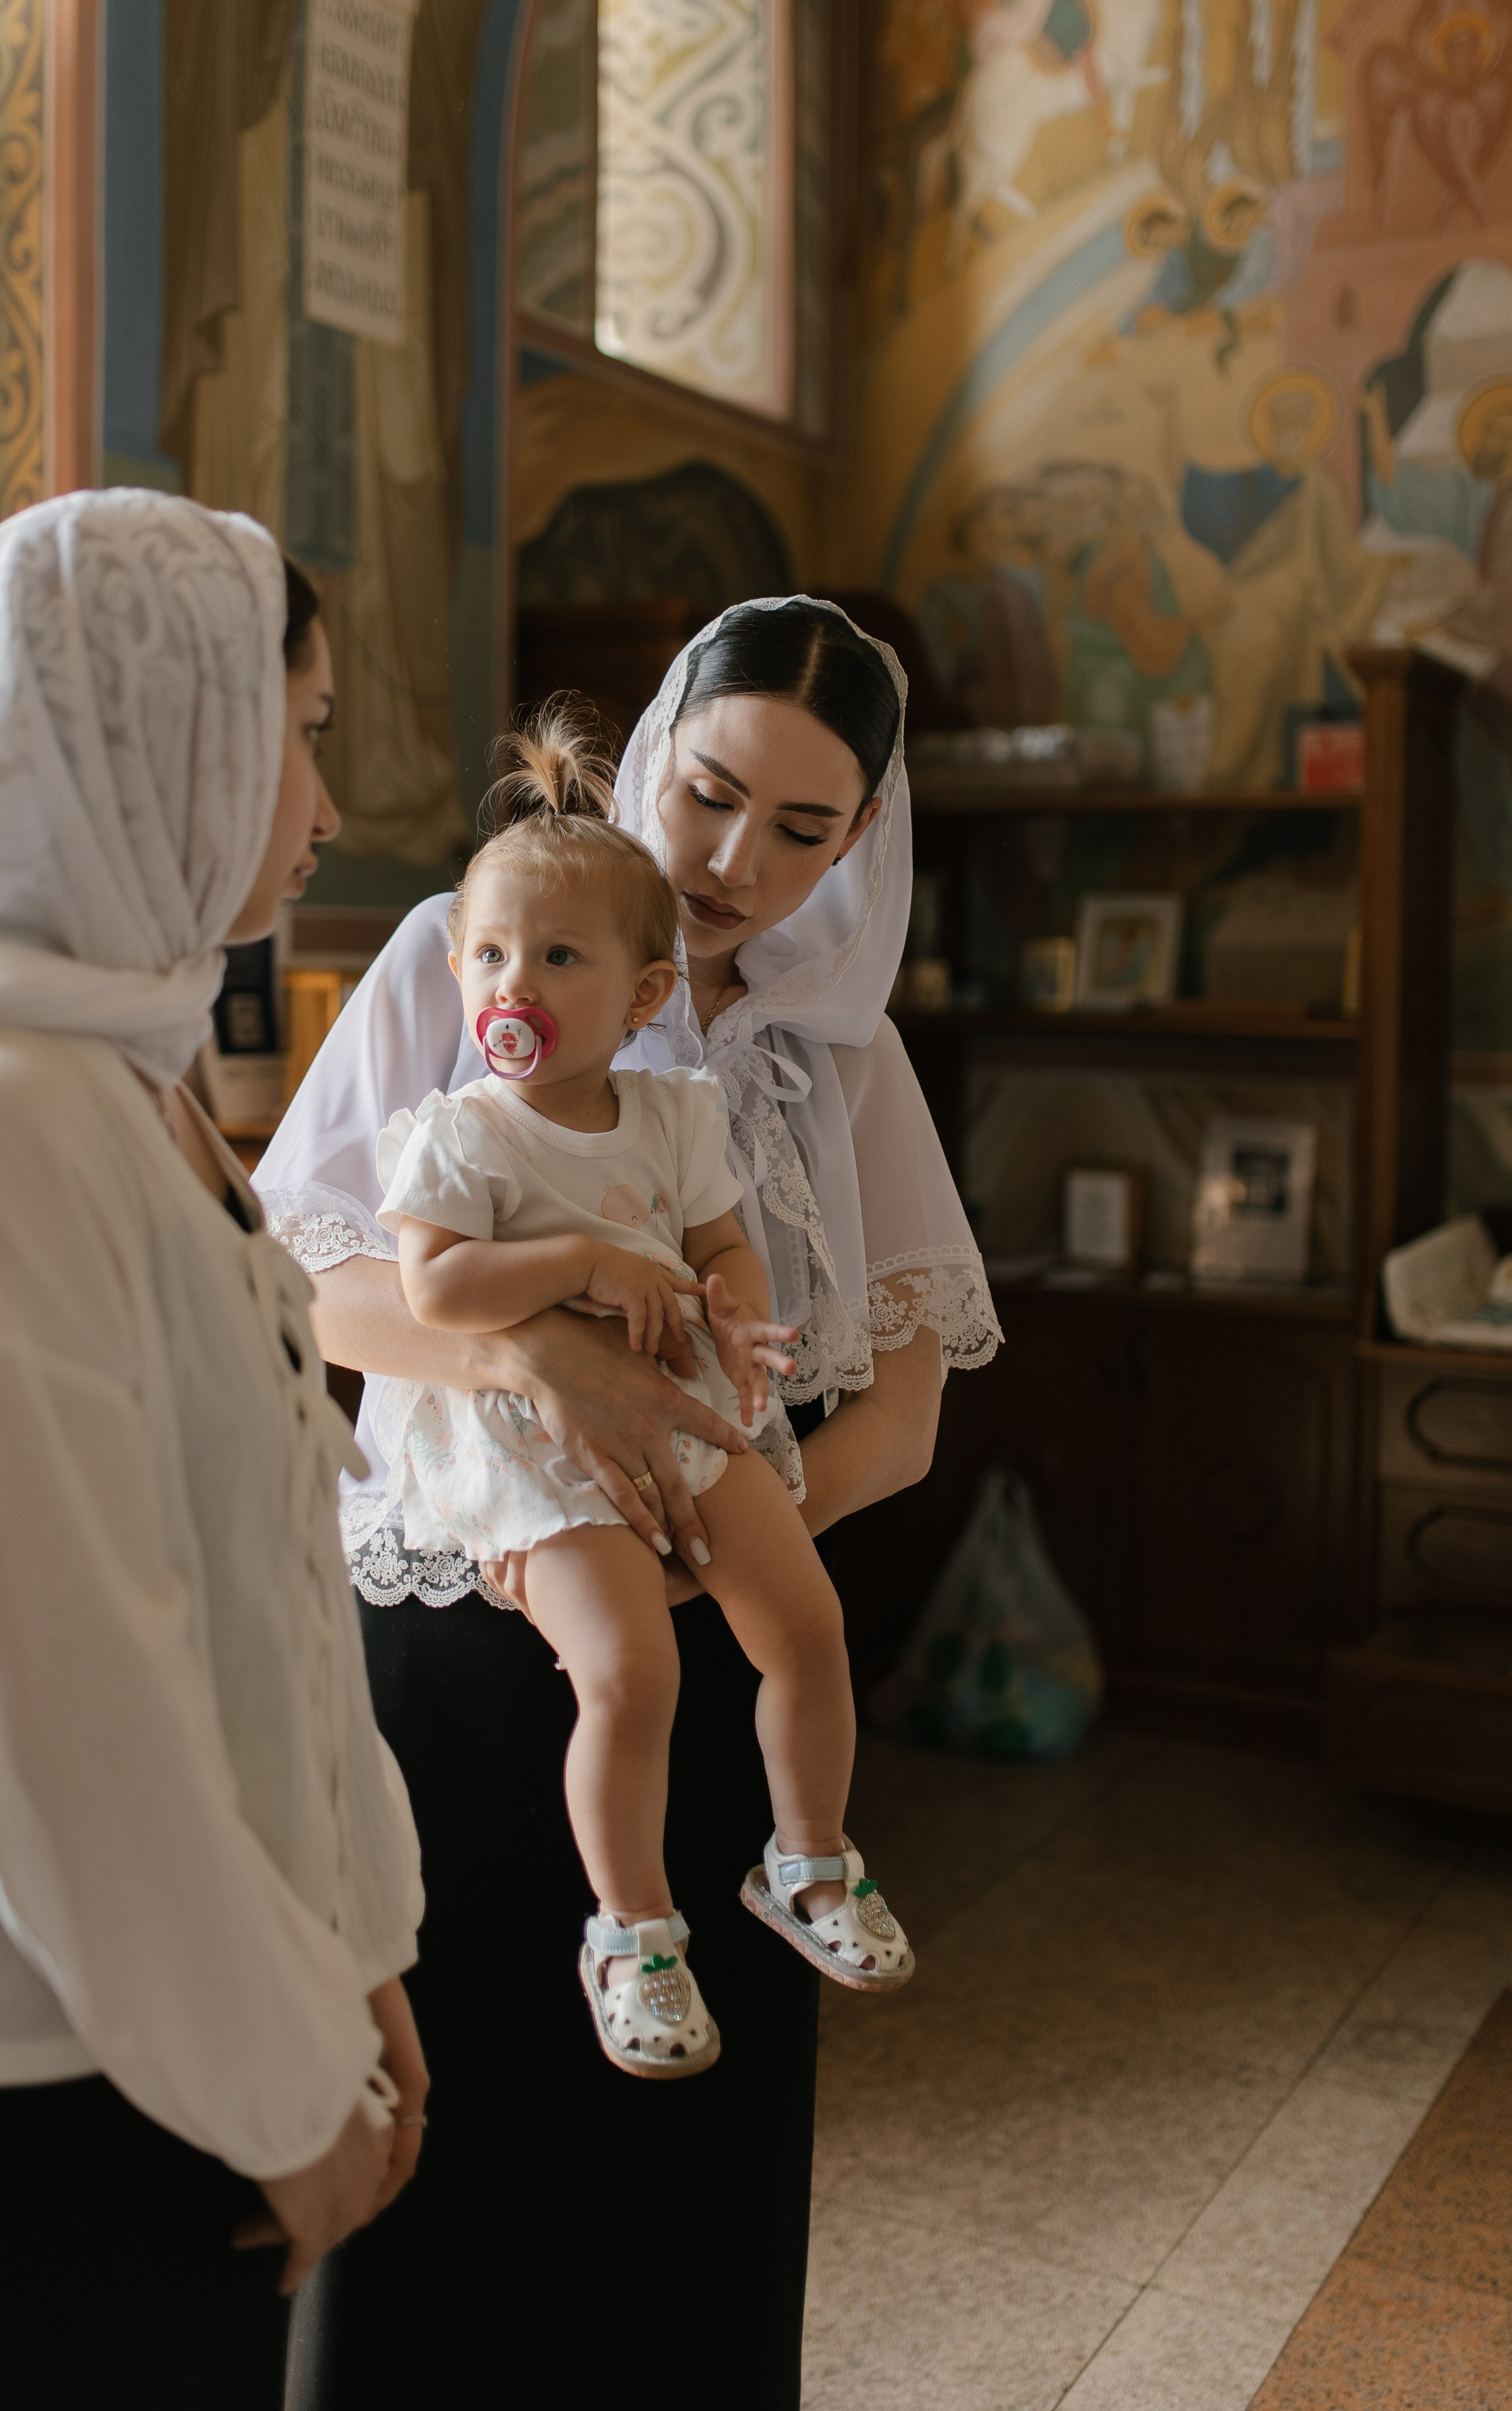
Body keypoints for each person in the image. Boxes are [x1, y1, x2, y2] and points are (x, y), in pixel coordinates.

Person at [258, 596, 1001, 2406]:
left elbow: (901, 1410)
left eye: (805, 830)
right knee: (460, 2102)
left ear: (862, 844)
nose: (738, 861)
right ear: (656, 741)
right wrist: (547, 1374)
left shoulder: (846, 1055)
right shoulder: (476, 946)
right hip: (461, 1598)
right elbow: (318, 1292)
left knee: (683, 2157)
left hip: (718, 1614)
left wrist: (719, 1532)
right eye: (713, 792)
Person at [0, 492, 428, 2411]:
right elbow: (53, 1707)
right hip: (9, 2090)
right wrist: (279, 2080)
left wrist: (357, 1965)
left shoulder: (116, 1086)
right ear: (164, 729)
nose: (323, 807)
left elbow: (257, 1592)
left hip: (160, 2037)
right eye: (305, 730)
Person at [373, 713, 914, 2080]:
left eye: (559, 957)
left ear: (639, 993)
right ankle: (630, 1928)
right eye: (491, 954)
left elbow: (720, 1237)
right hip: (525, 1443)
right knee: (629, 1668)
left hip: (681, 1404)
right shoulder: (460, 1134)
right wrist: (580, 1261)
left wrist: (732, 1307)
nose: (519, 981)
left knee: (803, 1618)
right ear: (456, 968)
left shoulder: (673, 1113)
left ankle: (806, 1858)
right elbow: (433, 1294)